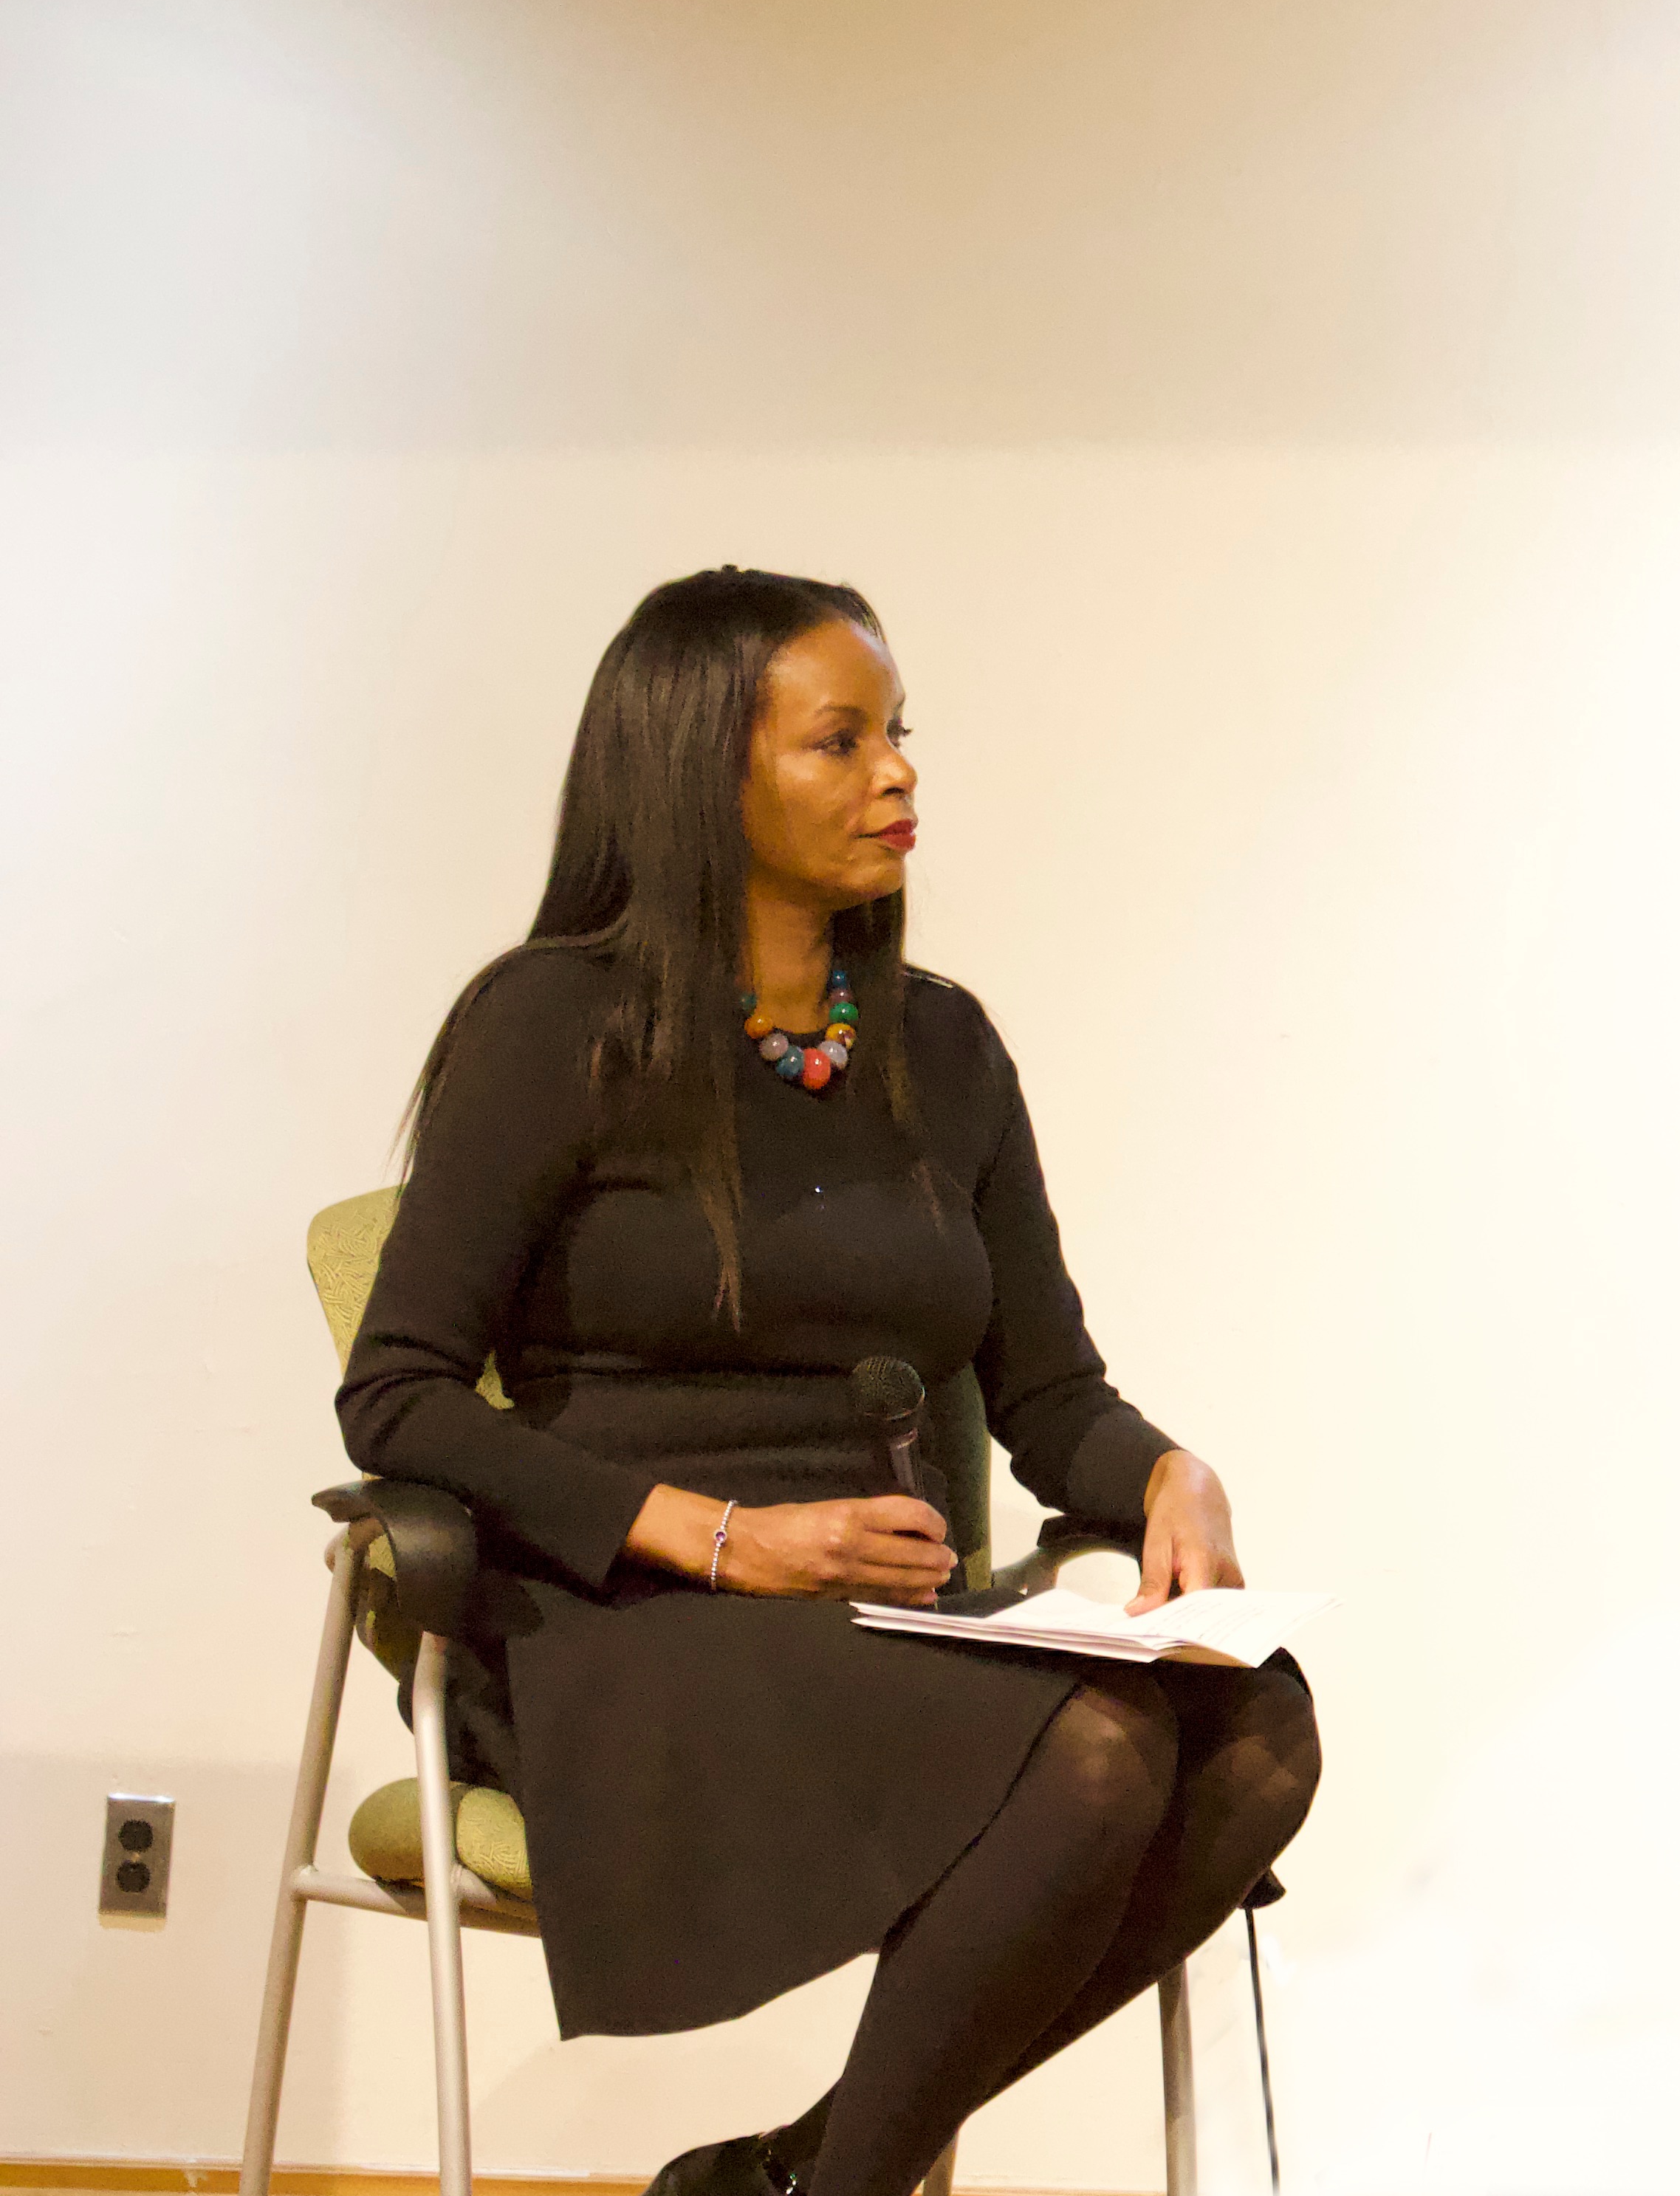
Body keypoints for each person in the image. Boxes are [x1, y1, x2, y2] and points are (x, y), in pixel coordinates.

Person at [338, 569, 1321, 2196]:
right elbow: (402, 1397)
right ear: (697, 775)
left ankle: (791, 2176)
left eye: (899, 733)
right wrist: (726, 1536)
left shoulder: (947, 1050)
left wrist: (1166, 1476)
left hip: (884, 1618)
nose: (899, 773)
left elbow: (1051, 1389)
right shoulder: (553, 1026)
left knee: (1259, 1733)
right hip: (631, 1622)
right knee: (1091, 1750)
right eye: (839, 739)